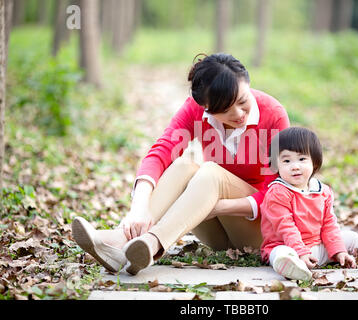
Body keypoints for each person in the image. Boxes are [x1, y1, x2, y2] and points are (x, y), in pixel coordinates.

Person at [71, 53, 290, 275]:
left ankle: (152, 243)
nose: (239, 114)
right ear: (205, 107)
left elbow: (279, 191)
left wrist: (218, 206)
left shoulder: (273, 116)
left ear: (248, 84)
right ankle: (121, 239)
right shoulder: (195, 110)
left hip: (258, 231)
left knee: (210, 172)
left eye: (243, 101)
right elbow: (162, 151)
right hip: (217, 234)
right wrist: (138, 208)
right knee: (185, 164)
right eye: (224, 110)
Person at [260, 127, 358, 281]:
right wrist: (300, 252)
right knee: (281, 253)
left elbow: (329, 224)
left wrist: (338, 252)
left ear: (314, 162)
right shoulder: (278, 192)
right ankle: (293, 268)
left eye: (302, 159)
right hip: (286, 246)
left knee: (351, 237)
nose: (295, 166)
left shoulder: (322, 191)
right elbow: (285, 226)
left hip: (316, 247)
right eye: (286, 160)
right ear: (276, 166)